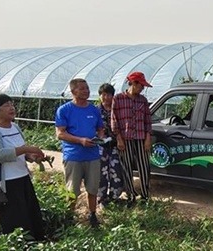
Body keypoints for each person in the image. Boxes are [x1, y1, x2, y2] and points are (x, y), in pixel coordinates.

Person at [0, 93, 47, 241]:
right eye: (6, 105)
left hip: (23, 178)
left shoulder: (15, 127)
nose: (12, 108)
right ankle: (20, 249)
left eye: (12, 104)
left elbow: (20, 152)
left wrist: (31, 156)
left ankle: (37, 245)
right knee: (16, 220)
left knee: (32, 215)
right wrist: (27, 149)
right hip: (5, 184)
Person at [55, 78, 105, 227]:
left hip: (92, 156)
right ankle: (69, 217)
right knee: (72, 190)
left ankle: (93, 215)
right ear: (73, 91)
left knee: (93, 188)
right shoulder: (64, 110)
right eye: (82, 88)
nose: (86, 91)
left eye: (87, 88)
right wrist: (80, 140)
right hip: (74, 156)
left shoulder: (94, 110)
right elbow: (60, 134)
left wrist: (99, 138)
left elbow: (100, 129)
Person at [111, 71, 153, 205]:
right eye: (141, 85)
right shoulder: (118, 99)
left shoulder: (143, 100)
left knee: (144, 166)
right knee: (127, 167)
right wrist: (119, 138)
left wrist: (148, 138)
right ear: (133, 83)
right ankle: (131, 195)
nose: (142, 88)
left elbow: (148, 120)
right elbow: (114, 119)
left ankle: (145, 195)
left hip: (141, 138)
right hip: (125, 138)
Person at [96, 83, 125, 208]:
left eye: (108, 95)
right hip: (100, 146)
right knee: (101, 172)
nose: (106, 97)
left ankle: (115, 197)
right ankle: (101, 198)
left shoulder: (117, 110)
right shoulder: (95, 111)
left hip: (115, 145)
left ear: (113, 96)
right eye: (103, 94)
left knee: (116, 171)